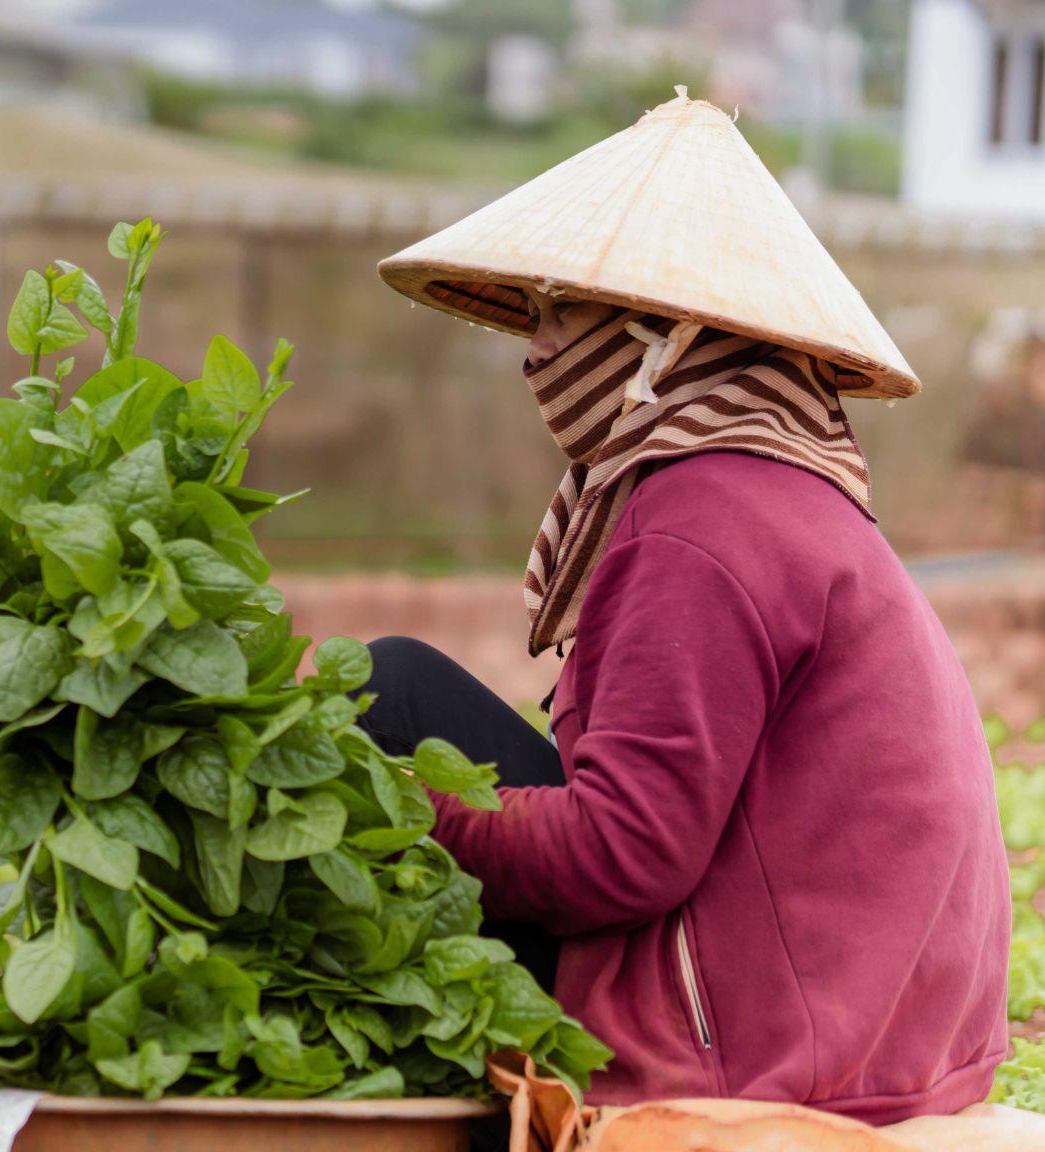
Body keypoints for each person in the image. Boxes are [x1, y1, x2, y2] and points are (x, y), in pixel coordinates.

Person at [368, 90, 1009, 1124]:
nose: (534, 348)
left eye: (560, 312)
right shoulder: (771, 489)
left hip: (779, 1054)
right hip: (882, 1031)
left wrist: (385, 810)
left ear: (658, 335)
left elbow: (623, 854)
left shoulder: (702, 518)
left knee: (382, 691)